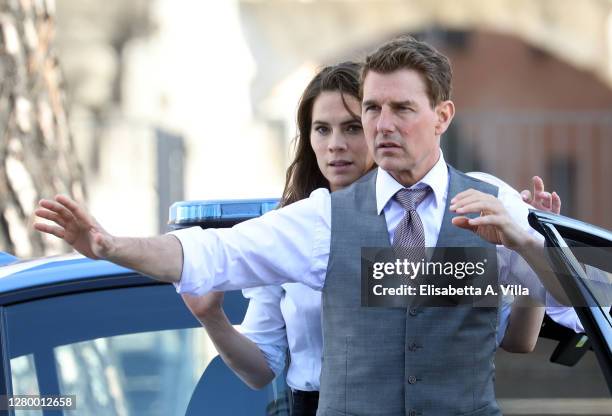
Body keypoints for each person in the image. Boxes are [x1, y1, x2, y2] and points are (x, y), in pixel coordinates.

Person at [34, 36, 575, 415]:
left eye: (402, 109)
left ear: (442, 116)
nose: (382, 125)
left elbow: (563, 310)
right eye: (373, 109)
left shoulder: (492, 201)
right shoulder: (322, 218)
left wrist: (528, 241)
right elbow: (213, 254)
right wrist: (108, 245)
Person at [180, 63, 578, 416]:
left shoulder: (456, 208)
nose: (336, 144)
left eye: (353, 127)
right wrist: (211, 317)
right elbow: (260, 368)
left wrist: (533, 250)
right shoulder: (290, 232)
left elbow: (524, 333)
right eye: (322, 129)